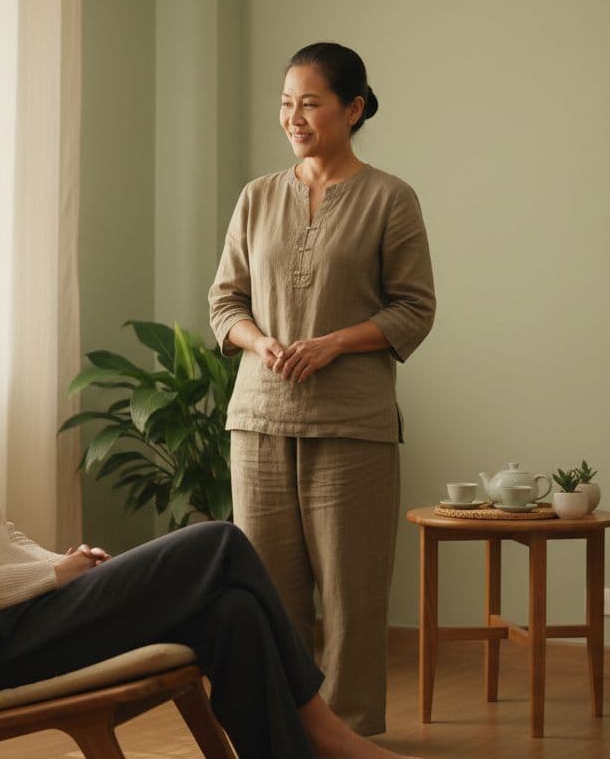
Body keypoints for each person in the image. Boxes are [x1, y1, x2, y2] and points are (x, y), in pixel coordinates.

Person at [0, 268, 417, 759]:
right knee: (218, 543)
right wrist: (52, 577)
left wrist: (64, 565)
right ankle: (329, 737)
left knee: (233, 611)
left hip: (26, 617)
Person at [208, 42, 436, 736]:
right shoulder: (256, 198)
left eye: (310, 102)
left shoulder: (390, 199)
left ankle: (351, 735)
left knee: (352, 597)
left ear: (353, 108)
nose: (293, 117)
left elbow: (414, 309)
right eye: (285, 103)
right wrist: (260, 340)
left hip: (352, 424)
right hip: (258, 420)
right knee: (266, 598)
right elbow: (225, 304)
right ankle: (278, 733)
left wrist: (334, 342)